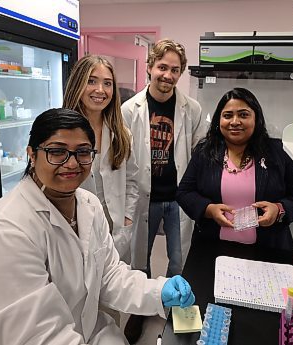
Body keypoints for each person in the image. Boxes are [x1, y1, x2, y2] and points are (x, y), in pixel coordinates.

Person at [0, 108, 195, 345]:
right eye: (57, 152)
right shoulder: (6, 232)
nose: (72, 163)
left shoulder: (88, 204)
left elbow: (108, 276)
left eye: (83, 152)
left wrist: (158, 290)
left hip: (83, 330)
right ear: (31, 155)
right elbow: (38, 337)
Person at [121, 38, 207, 343]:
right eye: (162, 67)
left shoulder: (191, 108)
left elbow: (198, 152)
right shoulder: (130, 109)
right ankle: (139, 311)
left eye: (174, 69)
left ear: (181, 72)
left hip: (178, 198)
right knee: (139, 260)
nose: (167, 75)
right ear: (149, 67)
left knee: (178, 258)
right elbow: (124, 157)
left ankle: (174, 307)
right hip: (144, 197)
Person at [176, 88, 293, 250]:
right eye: (227, 116)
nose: (235, 121)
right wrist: (209, 209)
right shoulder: (205, 152)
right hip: (212, 247)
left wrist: (278, 210)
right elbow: (184, 192)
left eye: (243, 115)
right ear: (218, 121)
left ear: (256, 119)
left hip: (268, 249)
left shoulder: (279, 152)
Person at [62, 55, 138, 262]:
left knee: (115, 287)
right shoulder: (60, 133)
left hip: (116, 227)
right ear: (78, 84)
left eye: (107, 83)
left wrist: (127, 218)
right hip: (74, 228)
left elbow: (132, 180)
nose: (100, 90)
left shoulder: (121, 134)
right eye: (91, 81)